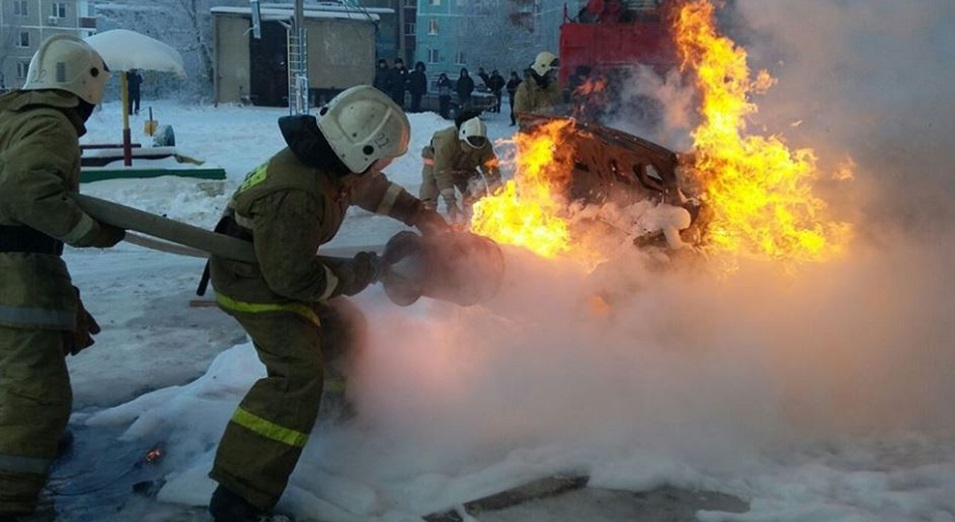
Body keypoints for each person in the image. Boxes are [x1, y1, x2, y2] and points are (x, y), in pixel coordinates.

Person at [205, 85, 447, 522]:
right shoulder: (296, 194)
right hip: (252, 282)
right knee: (297, 375)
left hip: (278, 266)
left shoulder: (330, 163)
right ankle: (239, 494)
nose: (382, 169)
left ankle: (335, 418)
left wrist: (419, 213)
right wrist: (363, 272)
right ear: (361, 150)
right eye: (381, 159)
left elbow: (371, 190)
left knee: (345, 330)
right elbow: (294, 280)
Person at [0, 34, 126, 522]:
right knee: (37, 401)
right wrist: (90, 231)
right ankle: (10, 502)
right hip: (13, 279)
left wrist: (64, 292)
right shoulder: (51, 123)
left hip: (18, 271)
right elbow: (26, 192)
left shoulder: (11, 114)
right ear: (86, 88)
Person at [419, 114, 502, 222]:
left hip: (465, 167)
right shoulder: (446, 141)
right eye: (472, 141)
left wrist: (498, 194)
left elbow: (492, 171)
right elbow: (442, 172)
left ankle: (470, 221)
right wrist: (450, 203)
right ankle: (428, 221)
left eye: (479, 141)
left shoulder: (485, 146)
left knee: (477, 192)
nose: (476, 144)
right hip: (437, 163)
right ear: (462, 136)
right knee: (430, 192)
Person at [514, 51, 562, 116]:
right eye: (552, 71)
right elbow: (521, 115)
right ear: (543, 68)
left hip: (555, 125)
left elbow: (560, 107)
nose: (554, 74)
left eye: (556, 71)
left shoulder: (554, 86)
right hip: (535, 125)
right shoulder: (525, 89)